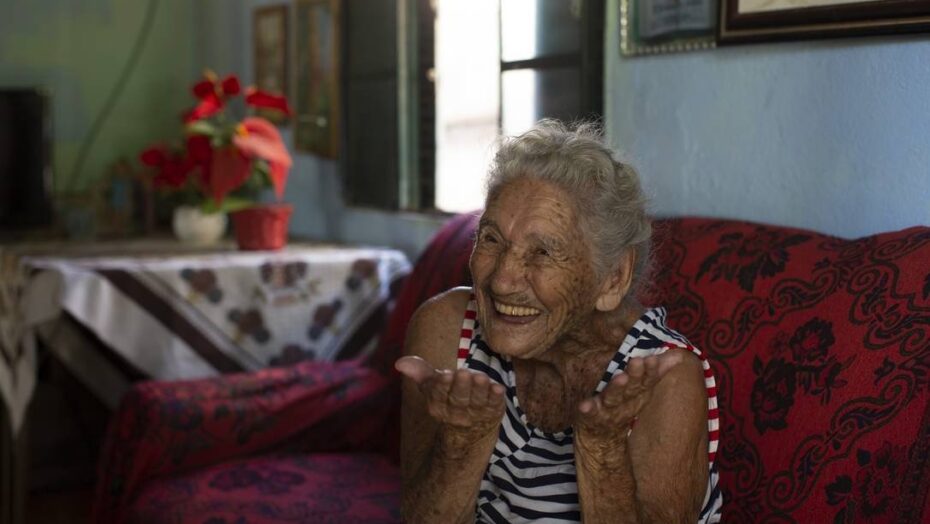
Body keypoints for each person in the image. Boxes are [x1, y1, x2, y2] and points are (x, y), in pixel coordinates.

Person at [395, 120, 721, 523]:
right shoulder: (445, 329)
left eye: (543, 253)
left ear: (612, 278)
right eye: (492, 239)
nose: (501, 280)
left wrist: (602, 451)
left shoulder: (664, 377)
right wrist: (462, 444)